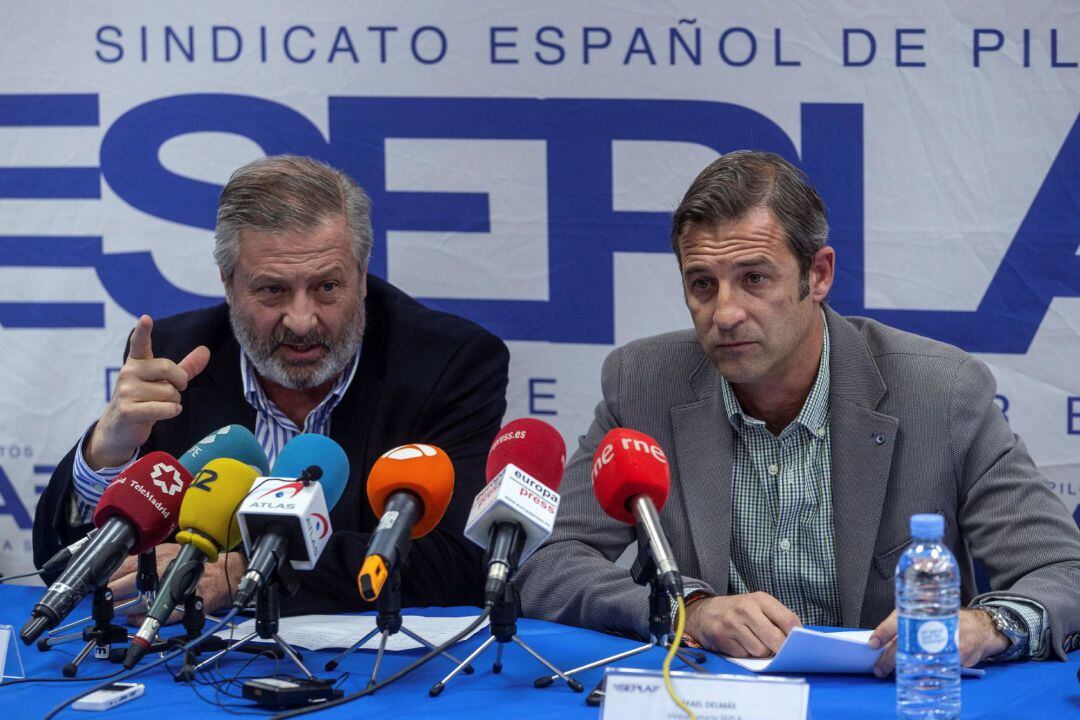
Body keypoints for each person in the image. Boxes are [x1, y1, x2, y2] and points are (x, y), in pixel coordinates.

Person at [516, 150, 1080, 673]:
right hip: (712, 701)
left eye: (754, 279)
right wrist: (691, 607)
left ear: (820, 275)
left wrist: (985, 627)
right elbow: (553, 561)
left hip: (885, 700)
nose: (726, 313)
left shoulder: (941, 392)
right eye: (702, 285)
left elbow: (1065, 574)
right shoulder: (642, 384)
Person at [34, 154, 509, 617]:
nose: (301, 322)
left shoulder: (448, 364)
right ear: (228, 283)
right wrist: (107, 454)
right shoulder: (176, 357)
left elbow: (456, 562)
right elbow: (59, 565)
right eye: (272, 290)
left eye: (327, 287)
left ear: (362, 277)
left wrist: (242, 572)